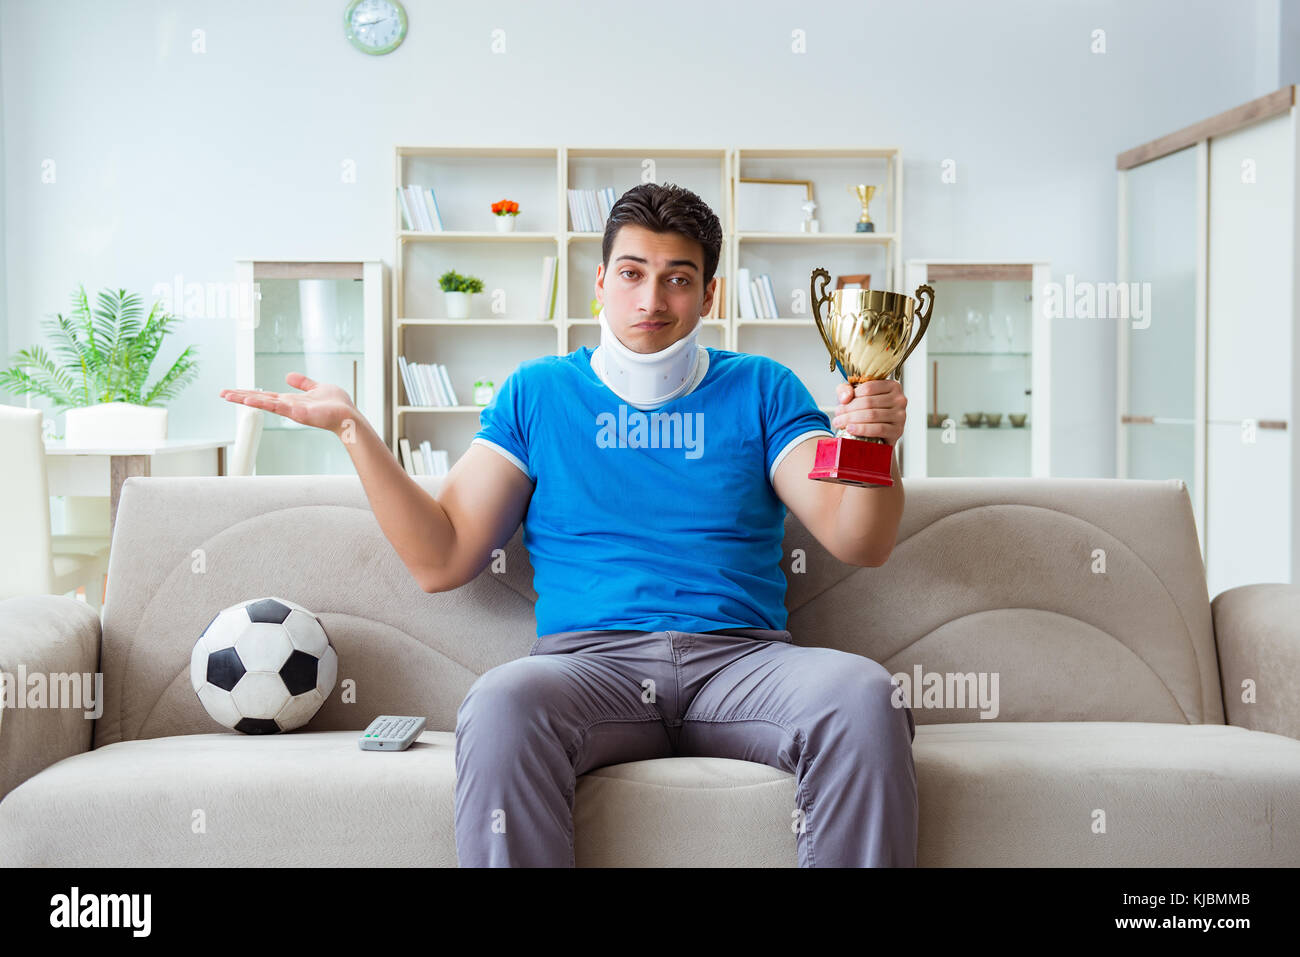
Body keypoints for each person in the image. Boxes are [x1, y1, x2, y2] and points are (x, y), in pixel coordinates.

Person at [219, 182, 917, 868]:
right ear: (600, 284)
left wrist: (875, 438)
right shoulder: (539, 392)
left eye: (679, 278)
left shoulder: (764, 388)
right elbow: (442, 558)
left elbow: (862, 539)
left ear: (709, 295)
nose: (651, 299)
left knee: (862, 695)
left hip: (743, 663)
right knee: (500, 703)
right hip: (590, 668)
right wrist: (352, 429)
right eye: (632, 273)